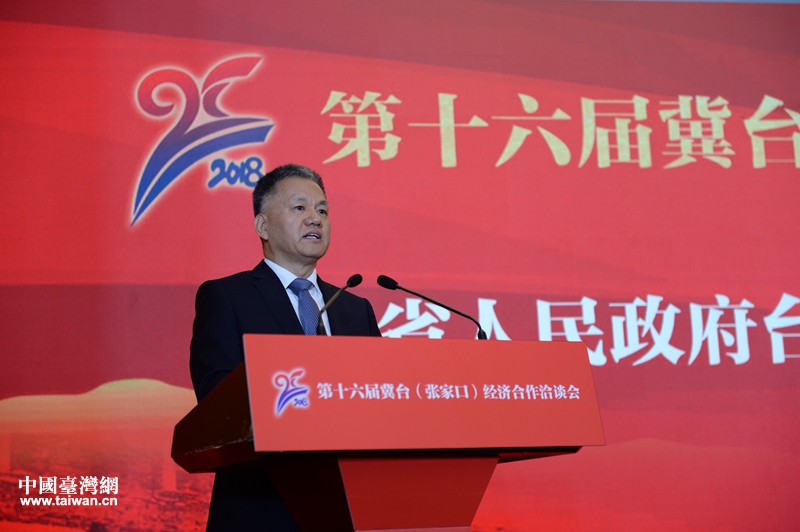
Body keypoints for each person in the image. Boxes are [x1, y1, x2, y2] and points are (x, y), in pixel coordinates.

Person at [189, 163, 382, 531]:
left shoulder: (355, 309)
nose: (315, 218)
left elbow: (379, 398)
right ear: (263, 226)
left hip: (348, 507)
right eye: (299, 207)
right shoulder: (227, 297)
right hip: (262, 505)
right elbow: (216, 397)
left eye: (322, 210)